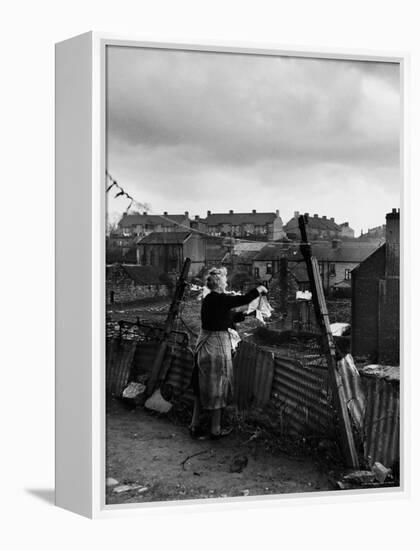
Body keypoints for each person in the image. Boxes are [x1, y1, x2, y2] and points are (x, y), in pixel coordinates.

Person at [190, 267, 268, 439]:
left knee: (200, 387)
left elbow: (226, 318)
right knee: (219, 387)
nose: (226, 283)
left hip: (204, 347)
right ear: (219, 284)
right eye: (225, 280)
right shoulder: (221, 298)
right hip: (216, 349)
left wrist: (248, 313)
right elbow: (245, 298)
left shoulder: (210, 299)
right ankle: (215, 429)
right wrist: (259, 289)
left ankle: (194, 425)